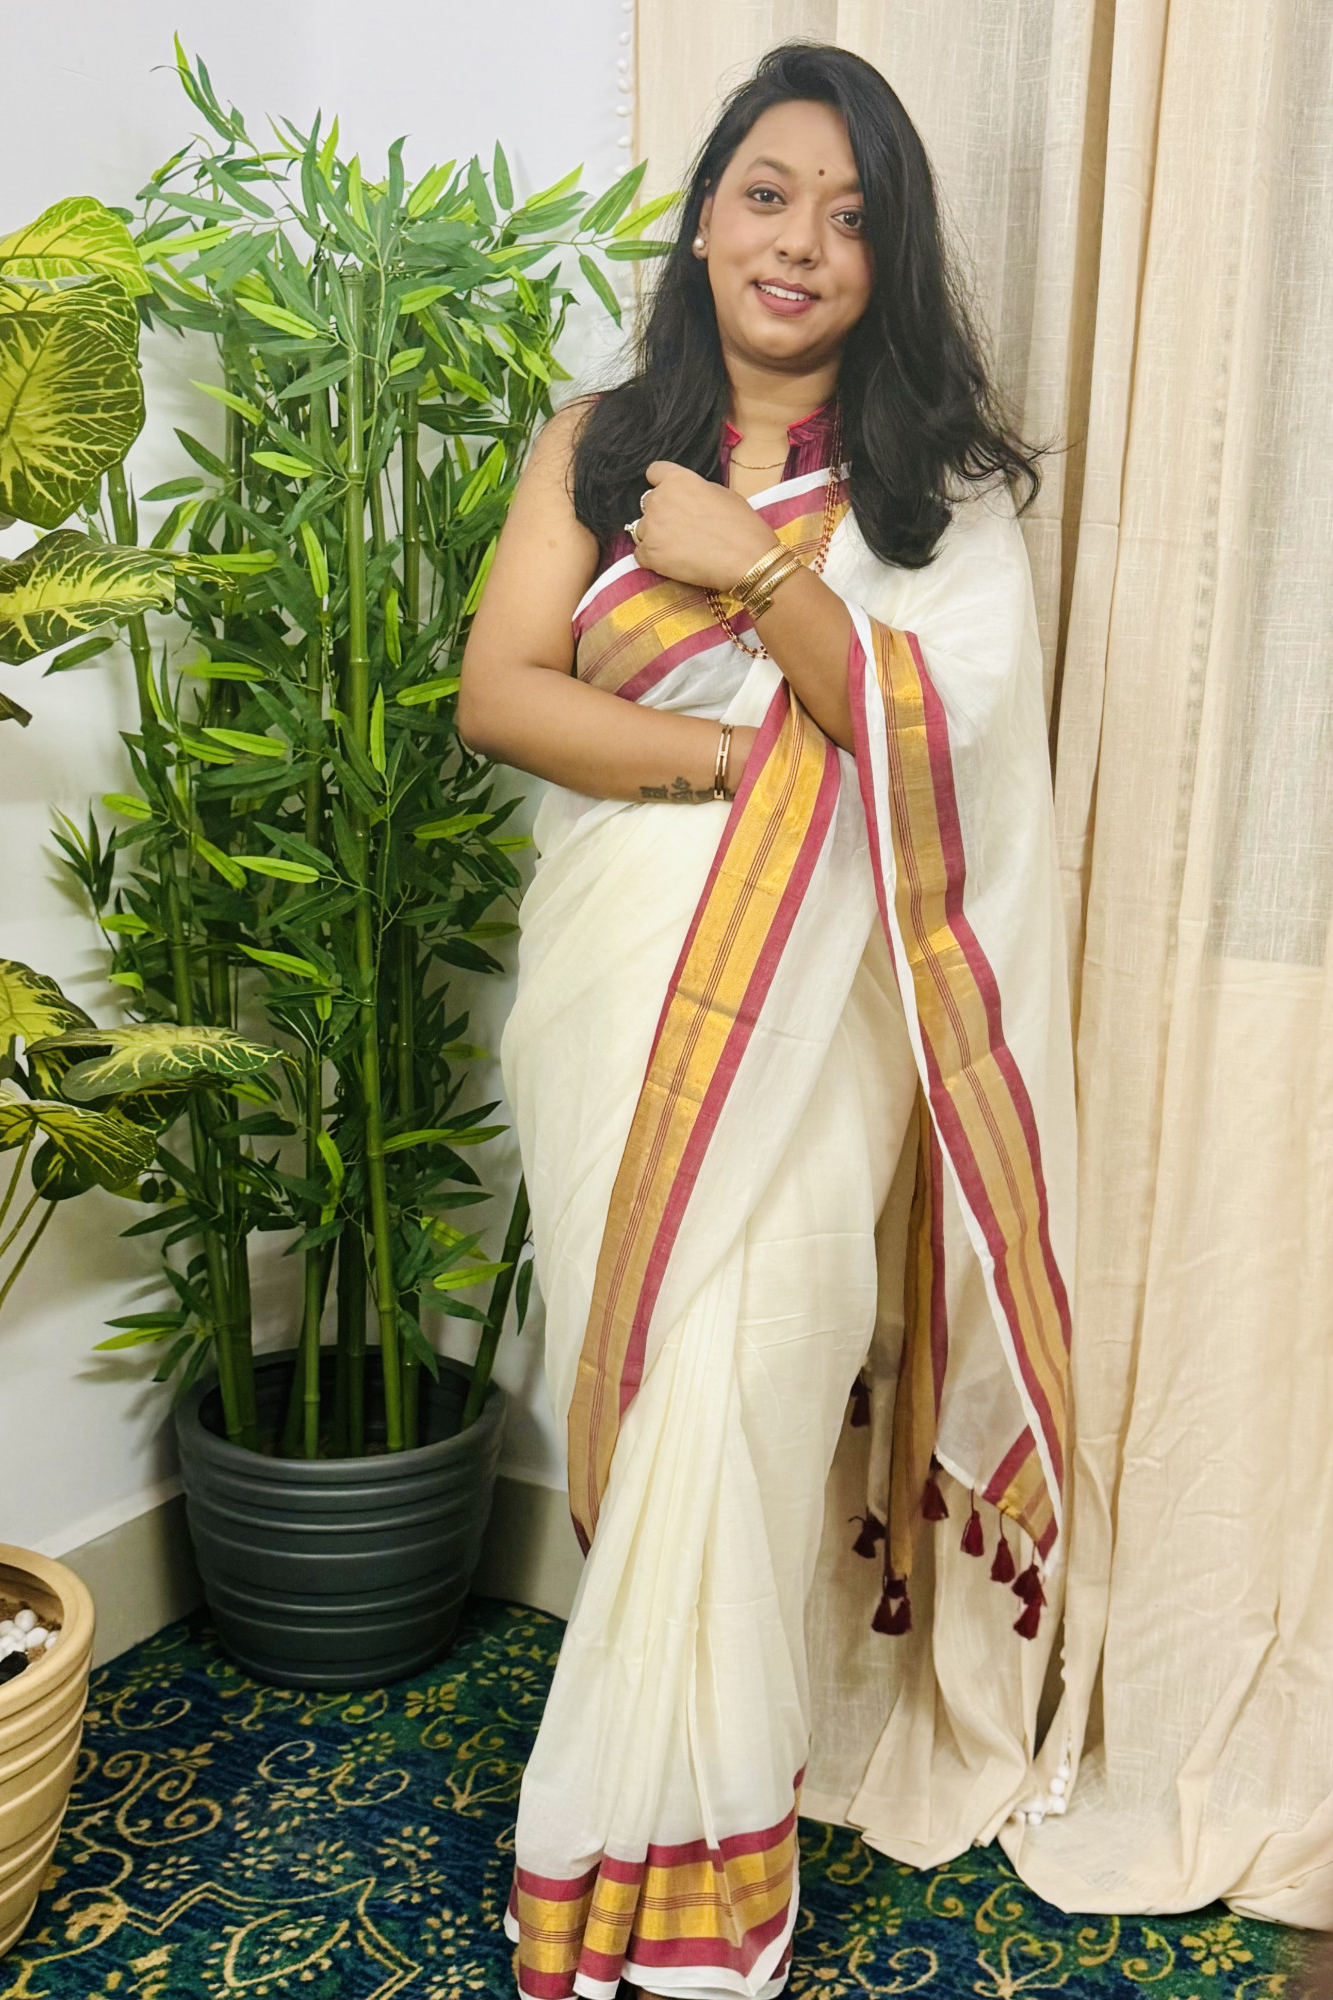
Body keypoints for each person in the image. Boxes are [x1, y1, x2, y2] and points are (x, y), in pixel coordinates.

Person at [459, 42, 1076, 2000]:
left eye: (852, 214)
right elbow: (501, 694)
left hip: (824, 1017)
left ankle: (690, 1890)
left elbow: (955, 751)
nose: (803, 240)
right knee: (659, 1396)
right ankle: (654, 1864)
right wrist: (728, 773)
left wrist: (759, 580)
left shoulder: (939, 505)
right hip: (612, 983)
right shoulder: (596, 440)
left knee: (741, 1394)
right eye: (769, 191)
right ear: (707, 210)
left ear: (886, 268)